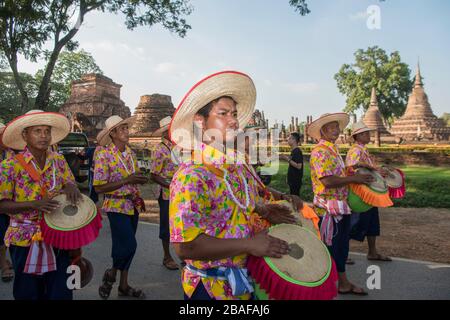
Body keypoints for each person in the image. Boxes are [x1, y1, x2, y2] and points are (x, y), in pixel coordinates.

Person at [169, 71, 296, 300]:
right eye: (223, 113)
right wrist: (249, 244)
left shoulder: (236, 168)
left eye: (235, 114)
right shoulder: (192, 175)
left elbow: (238, 207)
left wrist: (264, 209)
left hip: (245, 281)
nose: (234, 120)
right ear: (200, 121)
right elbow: (184, 247)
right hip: (209, 288)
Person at [0, 110, 81, 300]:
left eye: (47, 131)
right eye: (37, 131)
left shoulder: (59, 161)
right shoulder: (9, 166)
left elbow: (69, 182)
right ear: (24, 135)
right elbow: (2, 205)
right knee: (28, 292)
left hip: (58, 234)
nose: (44, 136)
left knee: (61, 291)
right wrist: (35, 204)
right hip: (24, 238)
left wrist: (71, 187)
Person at [308, 113, 373, 296]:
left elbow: (341, 173)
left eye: (337, 127)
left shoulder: (333, 150)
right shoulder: (320, 151)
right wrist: (355, 178)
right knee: (335, 246)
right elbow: (327, 181)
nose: (336, 130)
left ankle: (337, 282)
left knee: (341, 245)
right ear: (322, 131)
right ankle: (340, 283)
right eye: (331, 127)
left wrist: (363, 173)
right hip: (328, 208)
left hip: (340, 205)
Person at [94, 115, 148, 299]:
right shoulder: (103, 154)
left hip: (132, 203)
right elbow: (99, 186)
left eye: (126, 128)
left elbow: (133, 176)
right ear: (113, 134)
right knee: (128, 245)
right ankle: (111, 274)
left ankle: (122, 284)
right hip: (115, 204)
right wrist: (127, 180)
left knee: (126, 246)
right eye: (122, 129)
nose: (126, 131)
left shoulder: (131, 154)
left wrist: (139, 179)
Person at [345, 122, 391, 262]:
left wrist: (377, 171)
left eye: (368, 133)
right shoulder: (355, 150)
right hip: (360, 193)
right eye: (364, 133)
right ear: (357, 136)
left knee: (372, 222)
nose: (368, 135)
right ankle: (343, 255)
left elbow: (369, 169)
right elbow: (350, 168)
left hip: (369, 191)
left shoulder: (363, 149)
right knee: (353, 224)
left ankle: (372, 252)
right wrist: (366, 166)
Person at [149, 116, 180, 270]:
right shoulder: (159, 150)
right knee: (166, 226)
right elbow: (154, 175)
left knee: (182, 224)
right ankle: (166, 256)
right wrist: (171, 185)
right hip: (167, 193)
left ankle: (184, 255)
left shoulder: (179, 147)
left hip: (181, 192)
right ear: (165, 132)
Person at [0, 122, 15, 283]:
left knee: (5, 233)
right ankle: (4, 265)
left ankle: (4, 260)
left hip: (10, 202)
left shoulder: (10, 154)